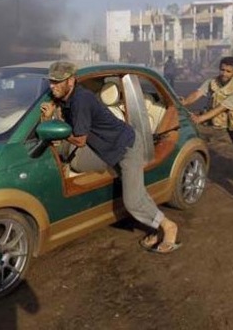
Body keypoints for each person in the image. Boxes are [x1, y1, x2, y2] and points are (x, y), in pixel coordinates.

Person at [40, 61, 181, 253]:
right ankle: (156, 226)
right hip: (106, 149)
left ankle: (169, 227)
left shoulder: (81, 100)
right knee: (137, 193)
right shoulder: (67, 98)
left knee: (133, 201)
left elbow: (80, 140)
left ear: (71, 81)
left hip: (126, 147)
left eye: (57, 82)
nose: (52, 86)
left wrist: (55, 126)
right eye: (51, 82)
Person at [181, 56, 233, 192]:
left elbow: (222, 107)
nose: (224, 74)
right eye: (222, 70)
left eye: (228, 71)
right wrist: (183, 103)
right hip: (230, 122)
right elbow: (197, 94)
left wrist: (200, 119)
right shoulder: (211, 82)